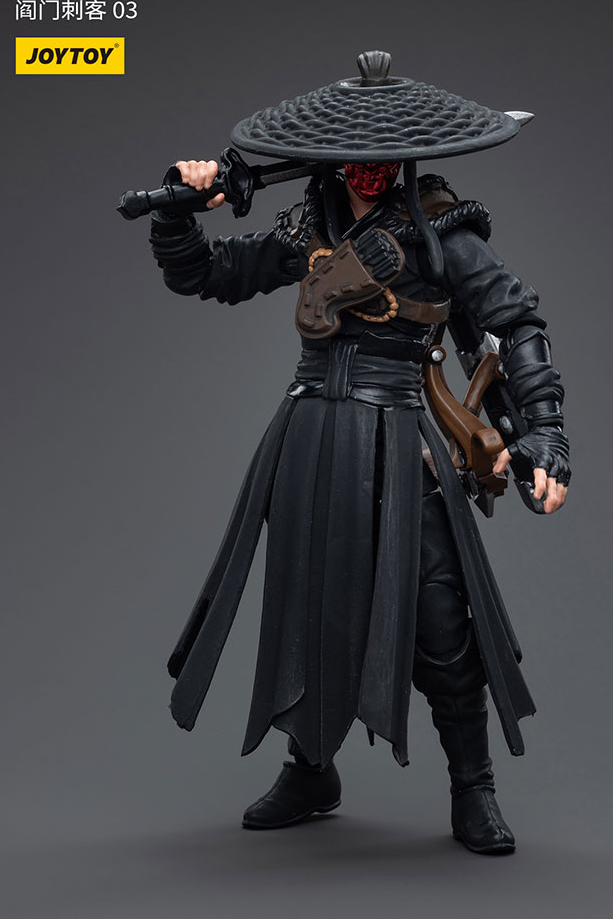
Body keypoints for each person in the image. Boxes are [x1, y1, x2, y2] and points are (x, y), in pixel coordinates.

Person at [146, 53, 570, 855]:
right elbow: (212, 274)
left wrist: (545, 430)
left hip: (403, 440)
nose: (368, 172)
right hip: (309, 435)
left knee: (441, 619)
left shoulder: (441, 226)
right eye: (353, 158)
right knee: (310, 606)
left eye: (382, 159)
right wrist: (179, 207)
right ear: (333, 155)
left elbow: (516, 322)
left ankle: (473, 784)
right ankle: (310, 768)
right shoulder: (309, 223)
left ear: (405, 156)